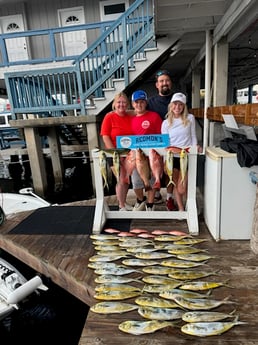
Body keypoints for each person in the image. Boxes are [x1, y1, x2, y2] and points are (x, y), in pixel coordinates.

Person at [161, 92, 198, 211]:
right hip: (172, 158)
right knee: (176, 183)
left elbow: (193, 137)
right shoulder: (165, 123)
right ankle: (181, 209)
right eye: (175, 104)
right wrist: (165, 161)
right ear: (171, 105)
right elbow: (165, 145)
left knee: (183, 187)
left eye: (180, 104)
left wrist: (195, 147)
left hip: (185, 156)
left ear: (184, 106)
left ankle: (190, 205)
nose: (177, 107)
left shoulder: (190, 118)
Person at [100, 92, 134, 211]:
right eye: (119, 102)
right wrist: (115, 153)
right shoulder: (109, 117)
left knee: (126, 179)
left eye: (124, 102)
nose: (121, 104)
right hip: (114, 154)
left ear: (128, 104)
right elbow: (105, 136)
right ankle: (121, 205)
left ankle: (124, 202)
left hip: (129, 153)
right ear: (114, 104)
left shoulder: (130, 116)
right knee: (120, 179)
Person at [131, 90, 162, 211]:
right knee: (136, 181)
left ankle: (150, 203)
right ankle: (140, 199)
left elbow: (161, 135)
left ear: (146, 103)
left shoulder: (154, 116)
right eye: (136, 102)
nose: (139, 104)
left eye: (142, 102)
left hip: (153, 154)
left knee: (153, 179)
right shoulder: (131, 119)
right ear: (133, 104)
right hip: (137, 155)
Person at [147, 69, 174, 203]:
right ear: (157, 85)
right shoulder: (150, 102)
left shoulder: (177, 99)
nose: (164, 83)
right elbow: (138, 113)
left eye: (167, 80)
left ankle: (169, 197)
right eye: (161, 81)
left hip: (174, 141)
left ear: (171, 83)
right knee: (155, 170)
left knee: (170, 170)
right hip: (156, 142)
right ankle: (156, 194)